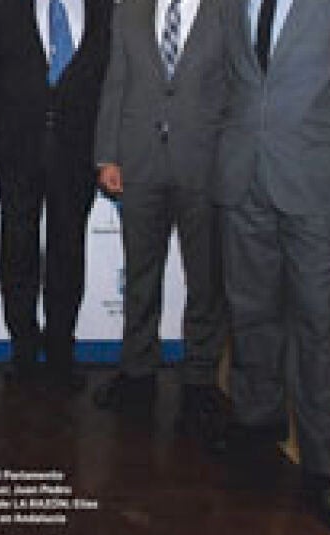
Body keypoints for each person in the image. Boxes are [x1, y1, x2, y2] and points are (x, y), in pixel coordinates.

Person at [214, 0, 330, 535]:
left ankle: (324, 469)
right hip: (243, 178)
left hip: (318, 184)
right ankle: (258, 421)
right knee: (250, 310)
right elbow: (230, 80)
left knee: (319, 327)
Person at [91, 0, 228, 451]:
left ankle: (200, 381)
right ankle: (137, 373)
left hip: (204, 165)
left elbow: (237, 88)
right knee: (140, 275)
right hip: (139, 162)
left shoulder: (227, 10)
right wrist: (107, 154)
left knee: (206, 281)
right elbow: (116, 81)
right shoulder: (129, 9)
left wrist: (231, 160)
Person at [0, 0, 113, 386]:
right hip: (18, 153)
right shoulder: (6, 9)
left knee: (68, 253)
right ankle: (23, 353)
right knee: (17, 252)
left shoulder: (105, 10)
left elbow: (111, 81)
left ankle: (61, 352)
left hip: (77, 156)